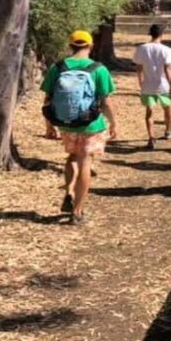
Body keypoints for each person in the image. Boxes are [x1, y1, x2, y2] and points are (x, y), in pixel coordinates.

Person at [41, 30, 117, 225]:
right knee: (85, 162)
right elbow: (106, 101)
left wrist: (49, 125)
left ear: (70, 46)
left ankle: (68, 192)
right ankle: (78, 211)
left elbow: (47, 99)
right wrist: (114, 124)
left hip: (65, 123)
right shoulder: (98, 69)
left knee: (71, 157)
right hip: (90, 124)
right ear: (91, 46)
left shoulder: (57, 67)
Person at [133, 24, 171, 150]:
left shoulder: (142, 48)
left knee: (149, 112)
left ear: (150, 34)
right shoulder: (166, 50)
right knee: (167, 109)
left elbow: (139, 68)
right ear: (162, 34)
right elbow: (167, 69)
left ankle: (151, 137)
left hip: (148, 84)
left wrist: (140, 82)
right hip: (163, 85)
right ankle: (168, 130)